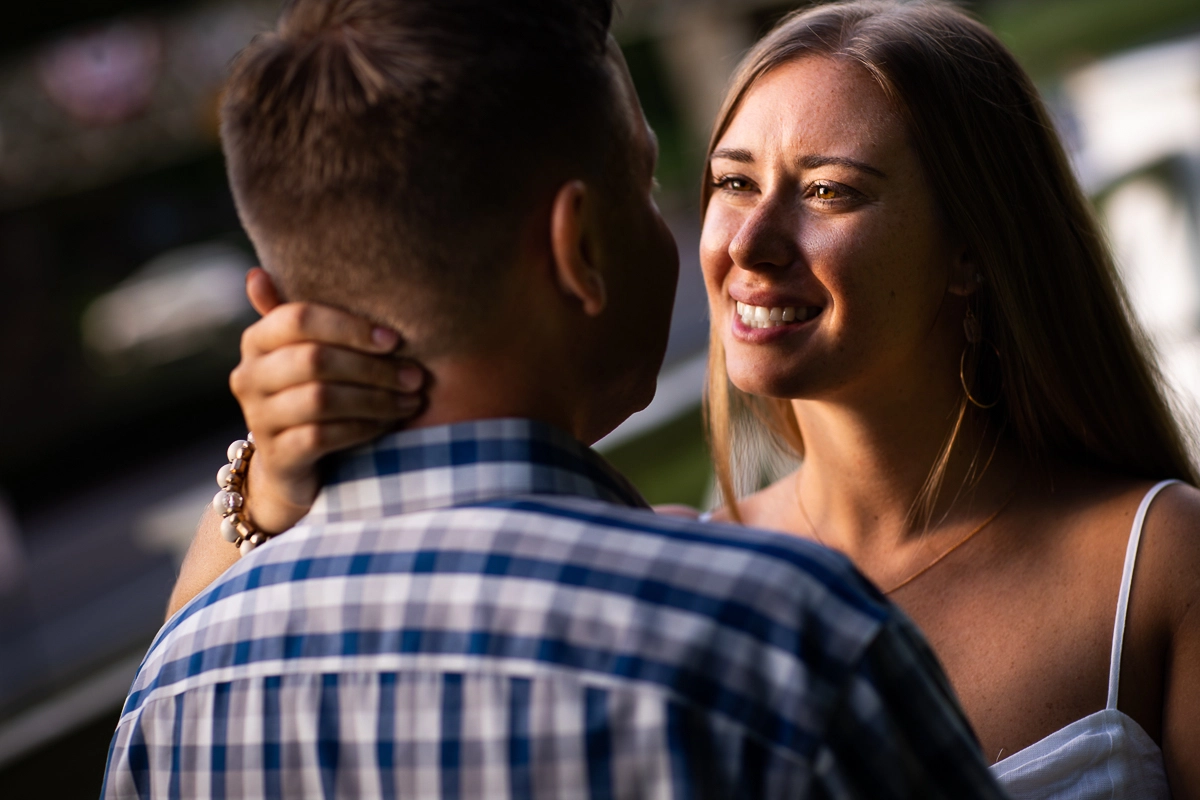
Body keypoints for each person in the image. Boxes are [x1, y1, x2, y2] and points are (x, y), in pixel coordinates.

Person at [172, 1, 1200, 797]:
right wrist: (264, 482)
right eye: (729, 182)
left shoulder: (1159, 558)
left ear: (976, 248)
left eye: (831, 190)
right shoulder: (689, 577)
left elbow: (181, 682)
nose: (747, 244)